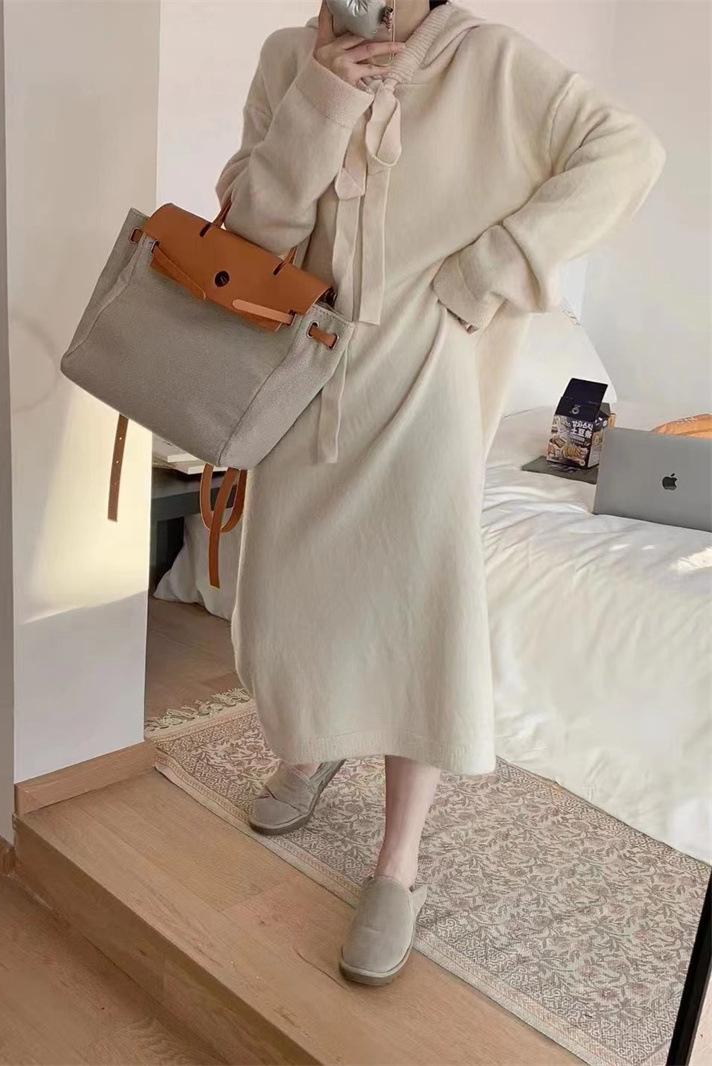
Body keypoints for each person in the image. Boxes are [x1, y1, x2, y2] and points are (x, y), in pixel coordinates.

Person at [214, 0, 665, 985]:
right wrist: (323, 95)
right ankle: (311, 749)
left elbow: (627, 152)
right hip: (301, 379)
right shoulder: (287, 57)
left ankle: (398, 862)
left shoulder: (492, 61)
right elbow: (253, 230)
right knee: (292, 600)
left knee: (414, 614)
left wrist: (486, 271)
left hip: (427, 385)